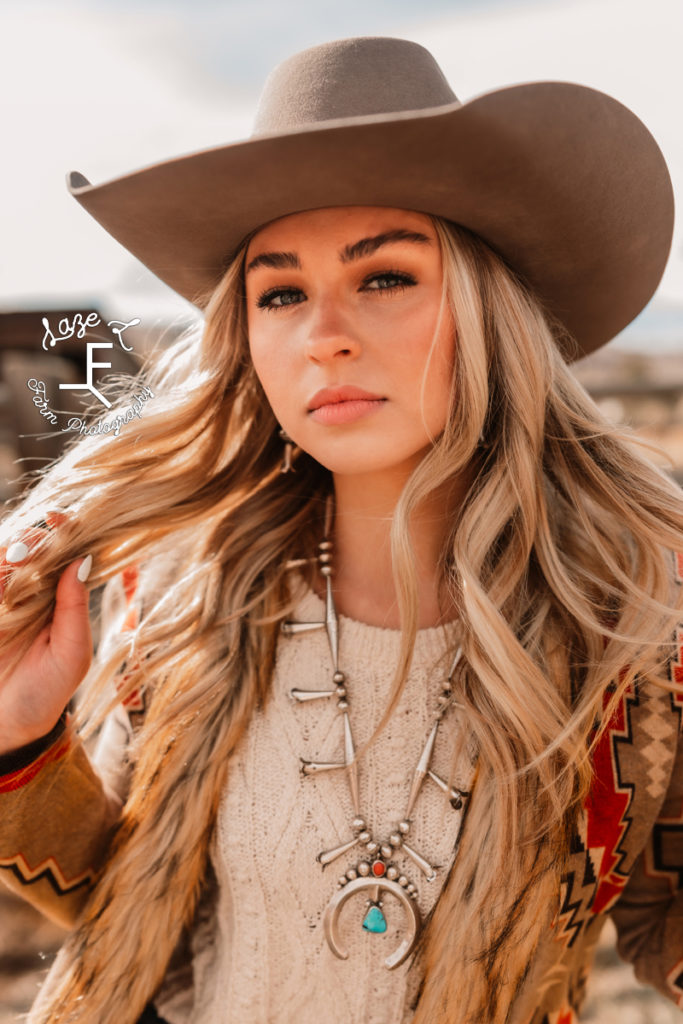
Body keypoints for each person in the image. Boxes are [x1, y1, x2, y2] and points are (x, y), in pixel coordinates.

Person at [0, 35, 681, 1024]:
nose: (322, 332)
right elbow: (124, 906)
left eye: (385, 276)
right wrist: (21, 740)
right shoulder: (184, 598)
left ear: (489, 312)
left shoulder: (638, 627)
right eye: (279, 293)